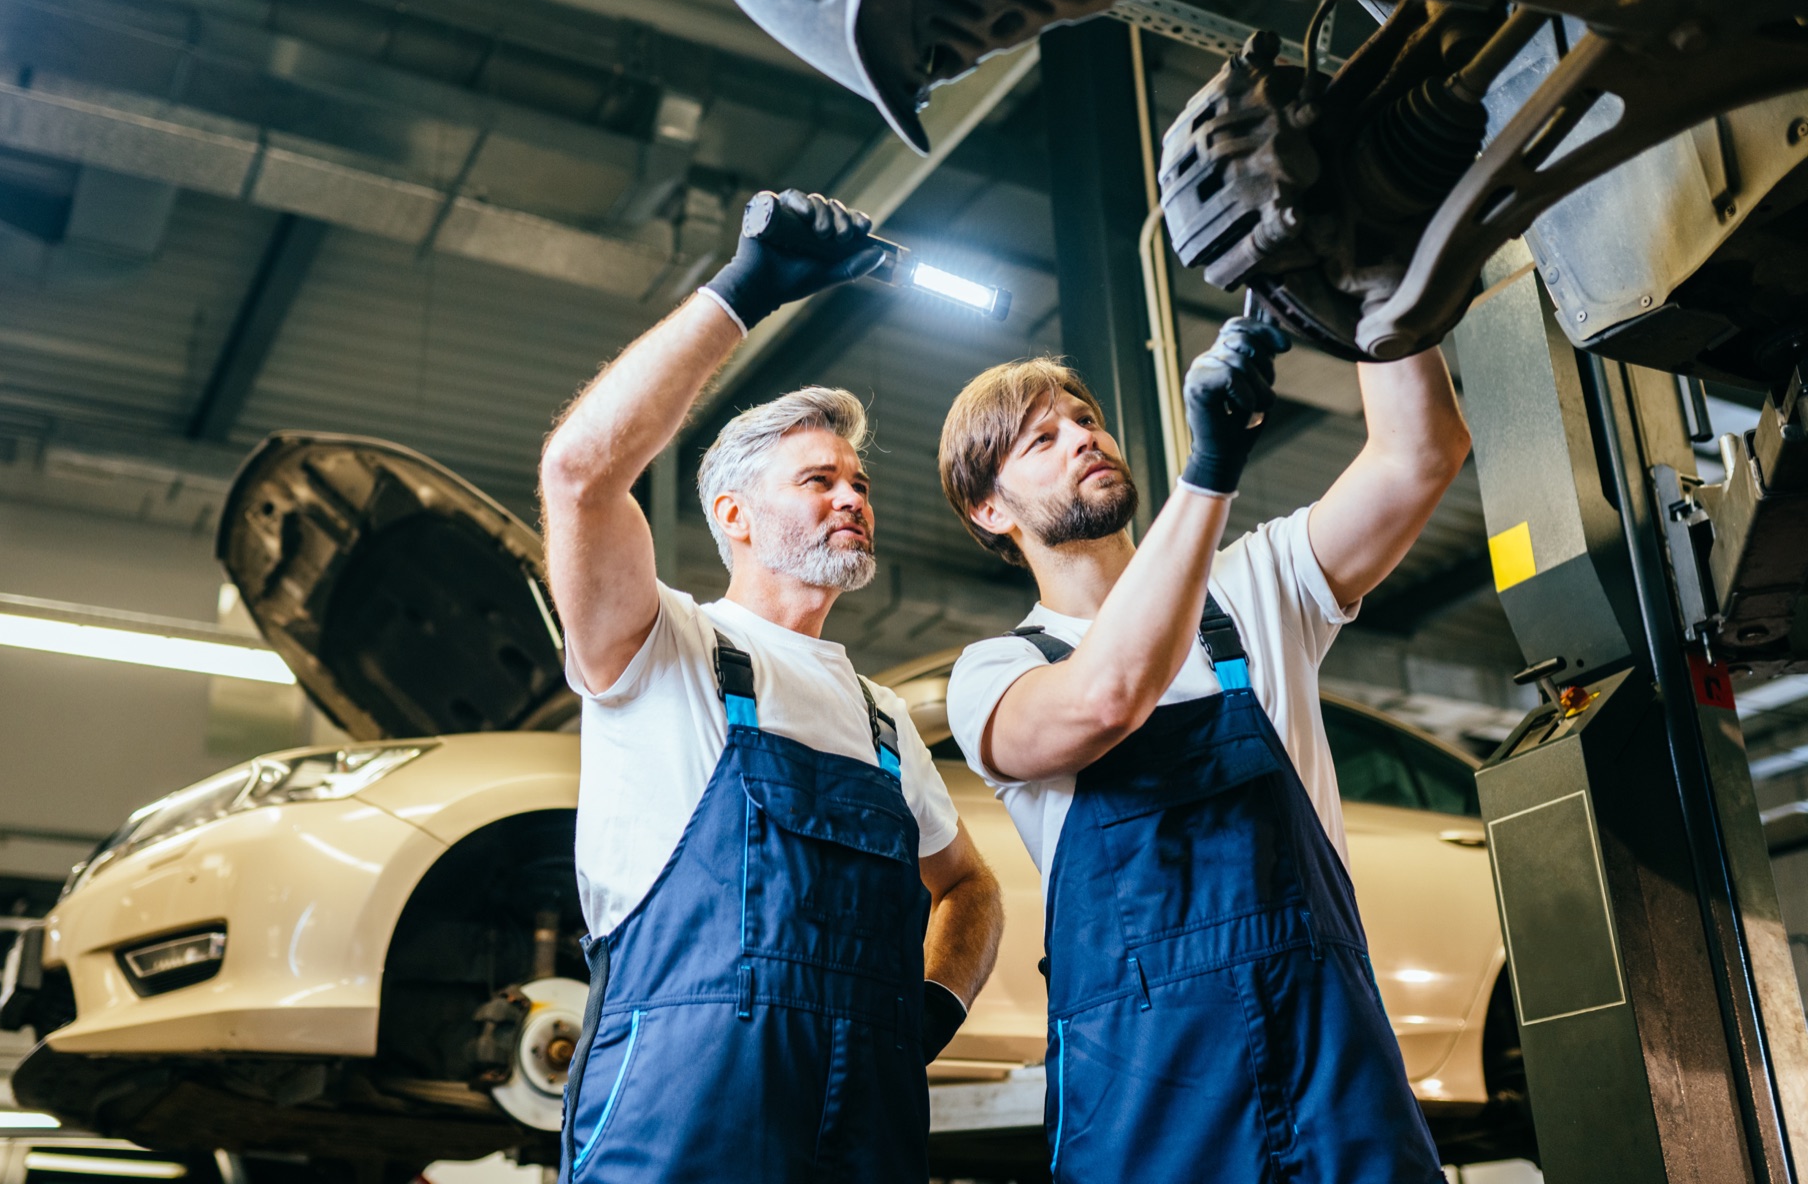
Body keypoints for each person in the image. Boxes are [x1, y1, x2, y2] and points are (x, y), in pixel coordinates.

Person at [538, 189, 1003, 1184]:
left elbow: (969, 886)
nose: (852, 497)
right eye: (818, 480)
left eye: (860, 483)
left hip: (865, 1115)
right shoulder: (664, 649)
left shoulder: (884, 720)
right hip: (683, 1109)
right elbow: (580, 473)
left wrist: (928, 1010)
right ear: (734, 516)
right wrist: (745, 290)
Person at [936, 319, 1471, 1182]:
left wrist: (1383, 303)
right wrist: (1210, 469)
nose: (1083, 437)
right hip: (1149, 1097)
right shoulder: (996, 672)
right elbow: (1105, 699)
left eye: (1086, 419)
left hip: (1330, 1060)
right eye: (1043, 439)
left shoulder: (1256, 586)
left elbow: (1421, 455)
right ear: (989, 511)